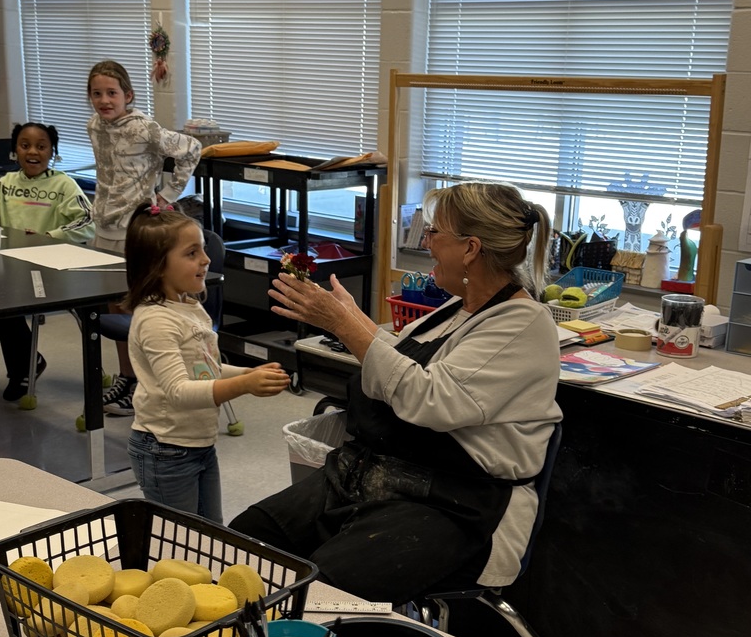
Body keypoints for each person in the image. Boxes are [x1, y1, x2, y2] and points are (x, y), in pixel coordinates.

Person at [229, 181, 563, 605]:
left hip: (452, 504)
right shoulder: (458, 307)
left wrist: (343, 326)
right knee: (240, 546)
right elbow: (405, 364)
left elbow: (430, 400)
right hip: (369, 477)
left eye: (434, 233)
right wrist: (353, 320)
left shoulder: (523, 325)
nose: (426, 243)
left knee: (319, 597)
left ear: (471, 249)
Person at [124, 203, 290, 522]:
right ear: (157, 266)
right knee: (178, 543)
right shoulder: (156, 321)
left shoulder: (190, 306)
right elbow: (179, 391)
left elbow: (205, 371)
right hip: (164, 450)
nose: (206, 259)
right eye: (191, 253)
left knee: (208, 534)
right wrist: (243, 385)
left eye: (202, 249)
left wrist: (249, 373)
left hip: (197, 445)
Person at [87, 59, 202, 417]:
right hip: (102, 227)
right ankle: (125, 376)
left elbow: (191, 149)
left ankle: (144, 383)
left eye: (112, 93)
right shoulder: (95, 125)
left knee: (139, 308)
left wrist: (167, 196)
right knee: (113, 306)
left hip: (134, 230)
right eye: (97, 93)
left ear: (128, 95)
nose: (105, 100)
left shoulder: (143, 128)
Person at [0, 122, 94, 401]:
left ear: (52, 151)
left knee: (1, 300)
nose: (33, 152)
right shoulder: (6, 185)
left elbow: (88, 222)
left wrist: (49, 236)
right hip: (13, 267)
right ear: (14, 151)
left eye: (41, 146)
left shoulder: (63, 185)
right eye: (25, 145)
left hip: (52, 269)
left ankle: (23, 367)